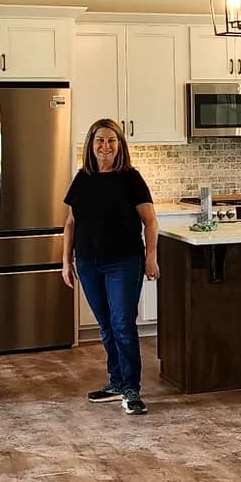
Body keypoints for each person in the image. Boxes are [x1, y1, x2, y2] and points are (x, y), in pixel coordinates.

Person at [62, 118, 160, 416]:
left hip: (124, 262)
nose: (105, 146)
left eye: (111, 141)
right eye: (100, 141)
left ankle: (132, 390)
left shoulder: (130, 178)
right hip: (89, 263)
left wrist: (151, 256)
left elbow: (151, 221)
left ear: (120, 145)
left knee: (122, 325)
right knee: (106, 325)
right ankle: (116, 382)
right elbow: (70, 223)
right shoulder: (82, 178)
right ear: (91, 146)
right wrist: (66, 261)